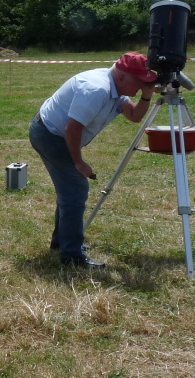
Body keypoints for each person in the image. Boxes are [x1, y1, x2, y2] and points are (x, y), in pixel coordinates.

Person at [29, 52, 158, 268]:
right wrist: (79, 163)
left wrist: (146, 96)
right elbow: (72, 129)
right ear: (123, 76)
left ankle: (63, 242)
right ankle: (71, 256)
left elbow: (134, 116)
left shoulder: (116, 88)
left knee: (70, 190)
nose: (142, 85)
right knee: (75, 190)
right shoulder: (97, 89)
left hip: (56, 133)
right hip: (50, 135)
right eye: (140, 81)